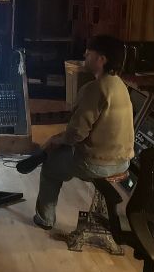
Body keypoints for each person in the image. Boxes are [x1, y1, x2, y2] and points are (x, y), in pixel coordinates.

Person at [16, 35, 134, 230]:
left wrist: (56, 141)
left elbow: (76, 134)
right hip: (123, 161)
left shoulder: (95, 89)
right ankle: (44, 154)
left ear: (101, 59)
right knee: (59, 147)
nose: (84, 55)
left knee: (51, 168)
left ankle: (45, 219)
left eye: (89, 52)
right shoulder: (121, 85)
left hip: (97, 164)